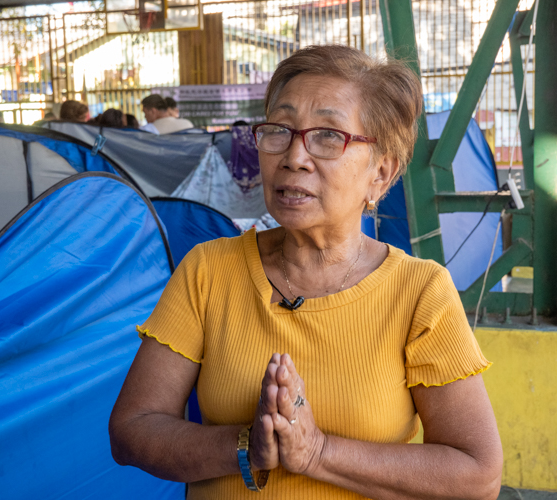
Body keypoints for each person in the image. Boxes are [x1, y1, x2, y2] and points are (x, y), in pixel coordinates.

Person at [109, 45, 502, 499]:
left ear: (380, 172)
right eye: (279, 130)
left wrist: (316, 452)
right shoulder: (209, 269)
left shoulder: (419, 291)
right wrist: (247, 446)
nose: (294, 156)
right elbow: (132, 430)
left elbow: (477, 476)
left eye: (329, 136)